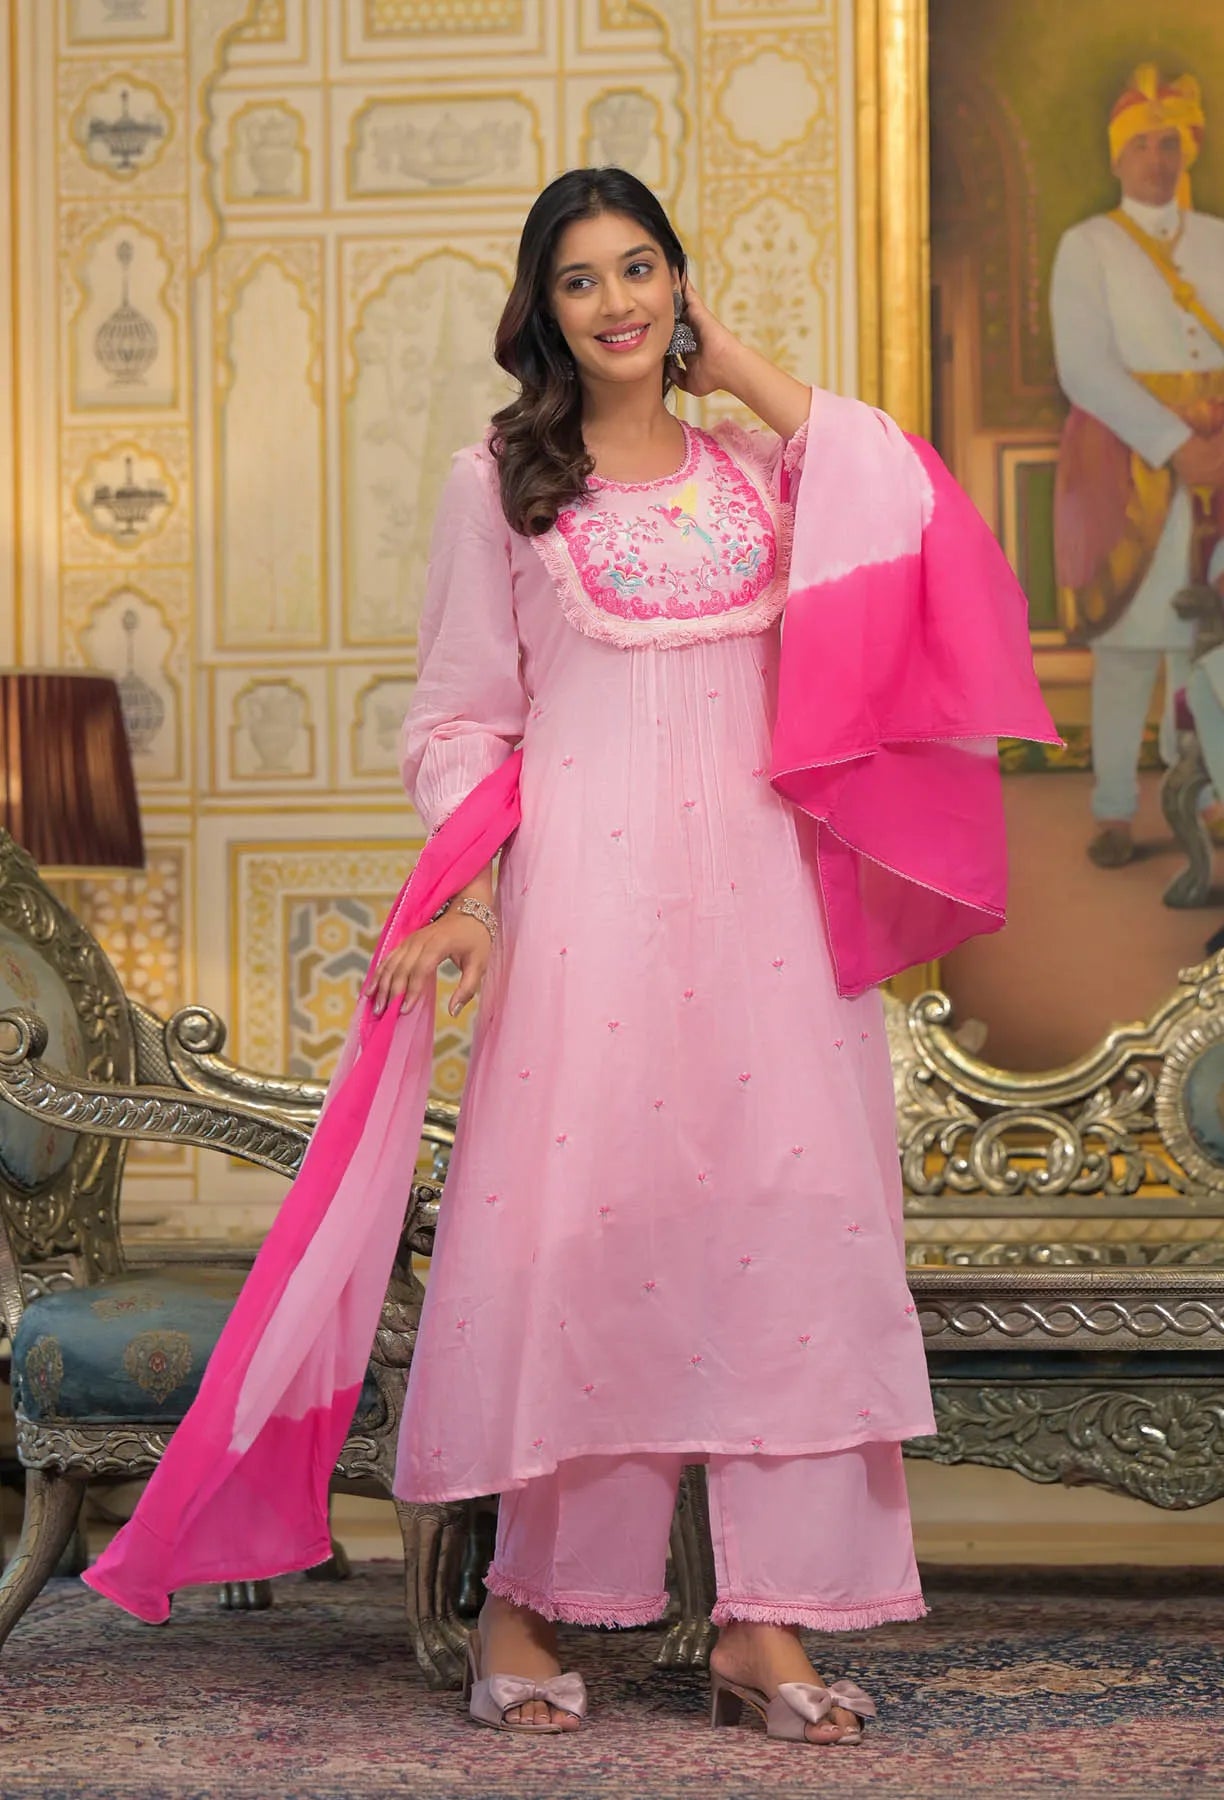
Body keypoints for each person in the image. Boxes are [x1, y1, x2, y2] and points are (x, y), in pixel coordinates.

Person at [83, 167, 1054, 1749]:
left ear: (682, 286)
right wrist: (469, 895)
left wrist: (732, 363)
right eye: (584, 280)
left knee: (783, 1246)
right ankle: (526, 1607)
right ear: (542, 311)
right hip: (588, 922)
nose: (618, 302)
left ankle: (763, 1626)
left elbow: (915, 503)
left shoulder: (759, 476)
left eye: (644, 269)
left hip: (766, 926)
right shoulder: (504, 487)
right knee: (583, 1249)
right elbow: (464, 714)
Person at [1050, 64, 1224, 869]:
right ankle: (1115, 807)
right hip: (1127, 461)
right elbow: (1084, 368)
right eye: (1141, 145)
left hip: (1219, 459)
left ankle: (1214, 797)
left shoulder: (1220, 240)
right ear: (1116, 157)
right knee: (1126, 645)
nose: (1156, 159)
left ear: (1186, 150)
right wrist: (1173, 441)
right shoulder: (1086, 248)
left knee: (1208, 642)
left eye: (1169, 143)